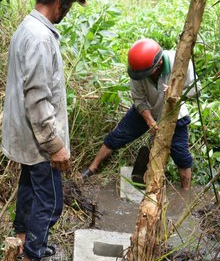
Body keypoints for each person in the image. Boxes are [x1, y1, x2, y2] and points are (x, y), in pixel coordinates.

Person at [1, 0, 87, 261]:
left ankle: (23, 245)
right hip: (38, 140)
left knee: (29, 195)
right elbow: (37, 99)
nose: (68, 10)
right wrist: (55, 145)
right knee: (48, 204)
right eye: (70, 2)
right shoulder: (38, 38)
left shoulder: (28, 28)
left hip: (26, 137)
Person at [80, 38, 199, 190]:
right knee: (117, 136)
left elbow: (197, 90)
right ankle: (92, 167)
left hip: (175, 115)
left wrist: (176, 93)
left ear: (159, 63)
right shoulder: (137, 70)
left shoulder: (180, 64)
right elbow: (139, 99)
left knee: (181, 156)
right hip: (146, 110)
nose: (144, 77)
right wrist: (150, 121)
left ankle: (185, 192)